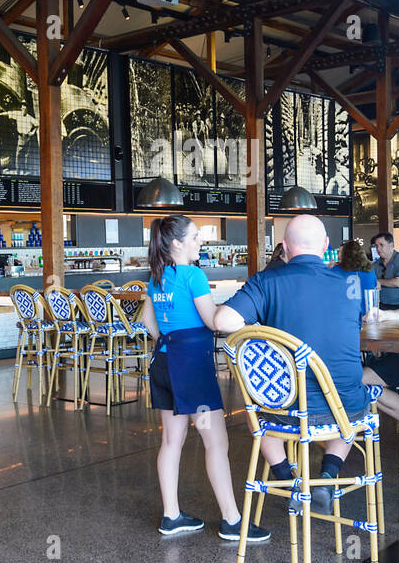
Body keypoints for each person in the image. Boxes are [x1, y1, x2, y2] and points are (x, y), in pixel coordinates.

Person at [215, 215, 371, 515]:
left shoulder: (266, 281)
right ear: (326, 246)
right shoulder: (350, 283)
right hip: (343, 408)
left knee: (256, 416)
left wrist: (264, 334)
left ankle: (289, 481)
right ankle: (326, 478)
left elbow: (223, 321)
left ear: (284, 247)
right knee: (351, 408)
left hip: (284, 407)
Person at [138, 215, 269, 543]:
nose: (201, 241)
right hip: (192, 370)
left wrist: (169, 338)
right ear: (177, 243)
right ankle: (231, 520)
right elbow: (215, 321)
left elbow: (146, 320)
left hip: (164, 362)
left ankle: (171, 516)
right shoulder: (193, 275)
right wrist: (247, 317)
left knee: (171, 441)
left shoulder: (156, 276)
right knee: (216, 442)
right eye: (195, 237)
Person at [335, 241, 399, 428]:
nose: (337, 257)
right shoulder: (369, 273)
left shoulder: (335, 273)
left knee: (347, 377)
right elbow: (376, 290)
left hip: (346, 327)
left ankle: (349, 413)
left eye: (339, 253)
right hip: (370, 322)